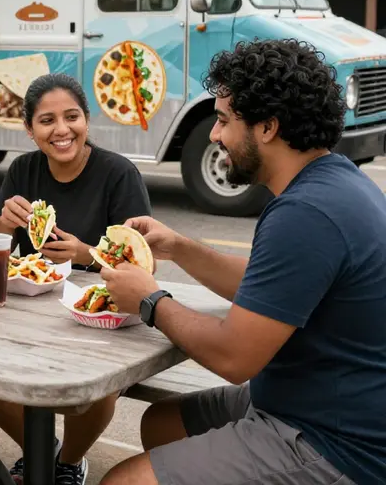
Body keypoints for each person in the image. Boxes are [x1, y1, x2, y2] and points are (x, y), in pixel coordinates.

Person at [99, 39, 386, 485]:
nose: (214, 136)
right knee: (161, 424)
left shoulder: (305, 214)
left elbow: (234, 357)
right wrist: (179, 247)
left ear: (268, 127)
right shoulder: (332, 181)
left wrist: (149, 300)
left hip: (337, 443)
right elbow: (269, 289)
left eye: (223, 120)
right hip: (300, 399)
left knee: (122, 482)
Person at [0, 72, 153, 485]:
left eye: (71, 117)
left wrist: (86, 254)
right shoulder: (23, 169)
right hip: (30, 313)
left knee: (99, 389)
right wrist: (4, 223)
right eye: (46, 121)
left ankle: (71, 461)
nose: (61, 130)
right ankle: (40, 450)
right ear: (30, 129)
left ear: (87, 121)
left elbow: (145, 267)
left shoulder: (118, 174)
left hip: (102, 317)